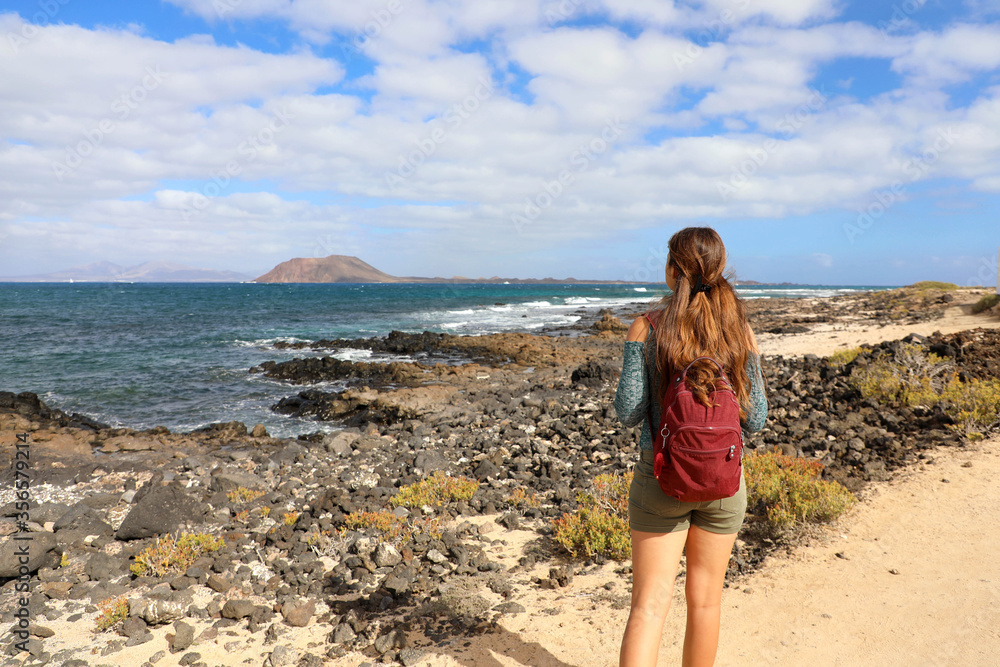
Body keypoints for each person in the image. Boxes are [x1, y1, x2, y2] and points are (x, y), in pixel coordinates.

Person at [615, 227, 768, 667]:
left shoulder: (647, 326)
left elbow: (628, 411)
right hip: (723, 483)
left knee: (648, 606)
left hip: (660, 478)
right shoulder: (740, 331)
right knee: (704, 603)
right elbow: (754, 420)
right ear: (718, 269)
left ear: (671, 270)